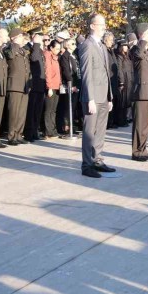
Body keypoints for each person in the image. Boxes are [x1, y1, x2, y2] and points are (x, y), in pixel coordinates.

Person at [79, 14, 115, 178]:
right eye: (101, 25)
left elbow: (106, 74)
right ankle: (87, 165)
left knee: (100, 132)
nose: (103, 28)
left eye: (104, 24)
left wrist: (109, 97)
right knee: (89, 133)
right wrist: (90, 99)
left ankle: (97, 160)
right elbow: (86, 74)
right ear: (92, 26)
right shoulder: (87, 45)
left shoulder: (101, 46)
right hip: (92, 97)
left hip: (103, 96)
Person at [130, 24, 148, 161]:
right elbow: (138, 54)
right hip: (140, 93)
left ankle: (143, 149)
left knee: (146, 125)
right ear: (142, 34)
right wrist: (143, 40)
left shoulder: (147, 52)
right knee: (139, 125)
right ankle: (136, 152)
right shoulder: (136, 49)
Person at [4, 28, 31, 146]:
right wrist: (14, 43)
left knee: (22, 113)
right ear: (13, 38)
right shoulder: (9, 48)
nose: (22, 39)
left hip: (24, 85)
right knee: (13, 112)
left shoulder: (23, 50)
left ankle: (19, 134)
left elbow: (27, 68)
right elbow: (10, 56)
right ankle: (11, 136)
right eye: (20, 36)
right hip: (14, 85)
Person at [24, 29, 46, 141]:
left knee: (38, 110)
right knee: (31, 110)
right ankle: (29, 133)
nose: (41, 38)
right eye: (39, 36)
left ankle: (35, 131)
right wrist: (36, 44)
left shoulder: (39, 49)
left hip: (40, 84)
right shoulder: (28, 48)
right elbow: (33, 59)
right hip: (33, 84)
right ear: (33, 36)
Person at [58, 37, 81, 136]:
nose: (74, 45)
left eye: (74, 43)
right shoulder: (65, 56)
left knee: (73, 106)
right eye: (72, 44)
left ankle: (71, 126)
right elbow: (66, 71)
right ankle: (66, 127)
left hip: (77, 83)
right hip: (70, 85)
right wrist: (71, 84)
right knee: (68, 107)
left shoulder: (74, 55)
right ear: (67, 45)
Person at [44, 39, 62, 138]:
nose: (58, 51)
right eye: (57, 49)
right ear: (51, 48)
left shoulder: (55, 57)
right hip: (51, 86)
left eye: (59, 49)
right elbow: (48, 72)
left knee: (53, 110)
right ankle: (48, 131)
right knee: (49, 109)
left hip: (56, 85)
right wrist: (49, 87)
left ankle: (53, 129)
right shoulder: (48, 56)